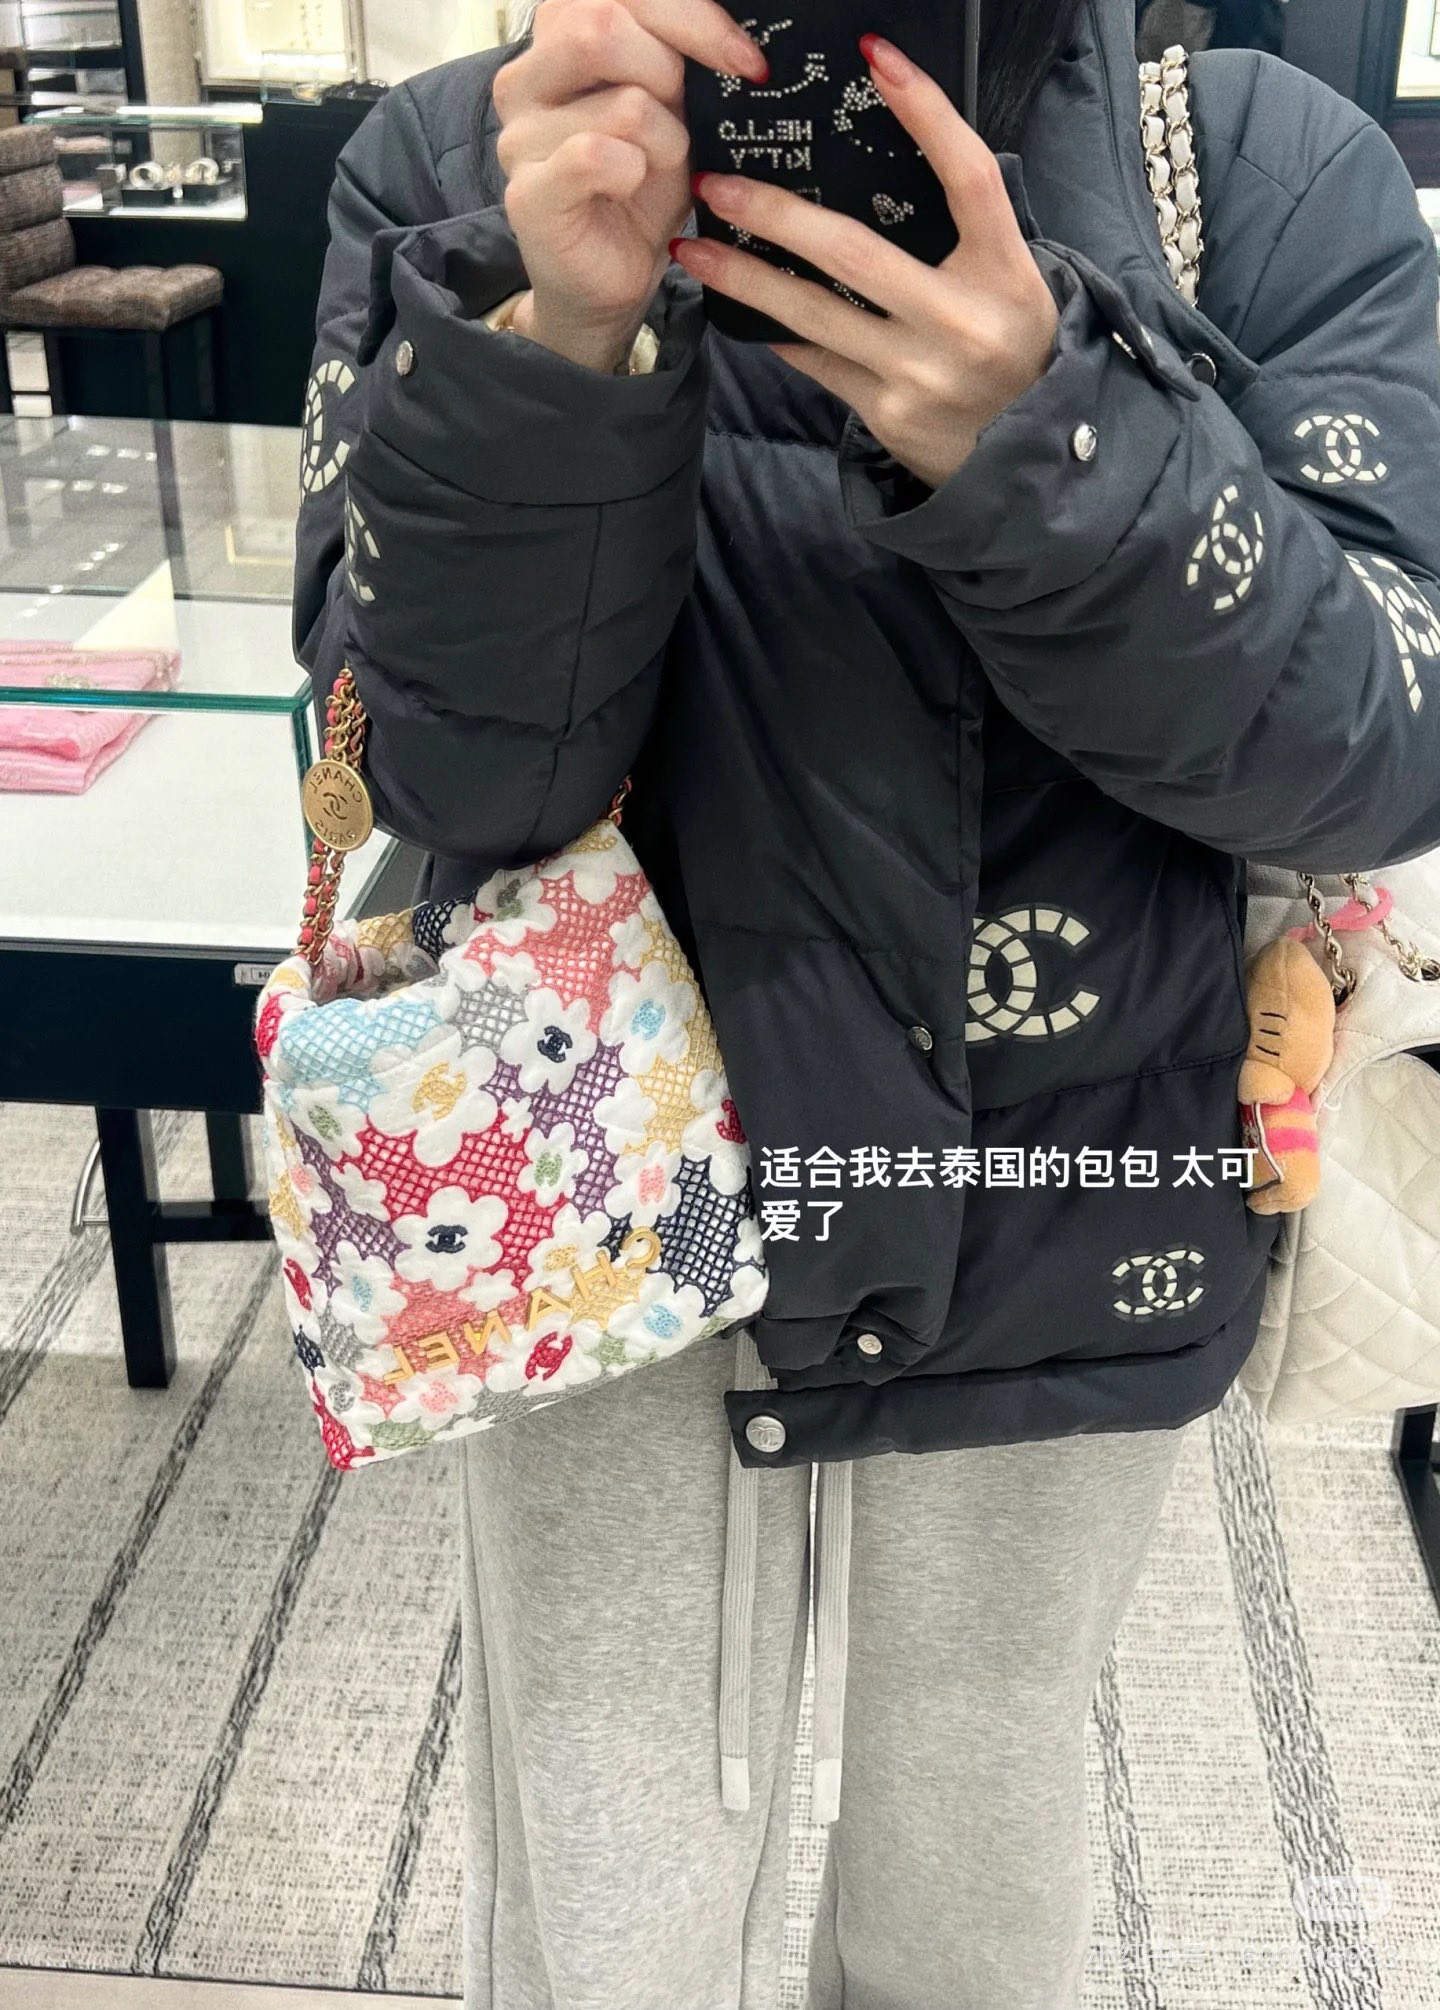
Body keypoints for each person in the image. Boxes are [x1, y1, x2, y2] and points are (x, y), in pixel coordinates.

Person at [294, 1, 1440, 2003]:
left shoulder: (1261, 172)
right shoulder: (464, 159)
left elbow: (1375, 756)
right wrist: (556, 351)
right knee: (608, 1886)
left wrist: (1049, 436)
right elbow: (433, 791)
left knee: (975, 1878)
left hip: (1062, 1195)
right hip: (596, 1183)